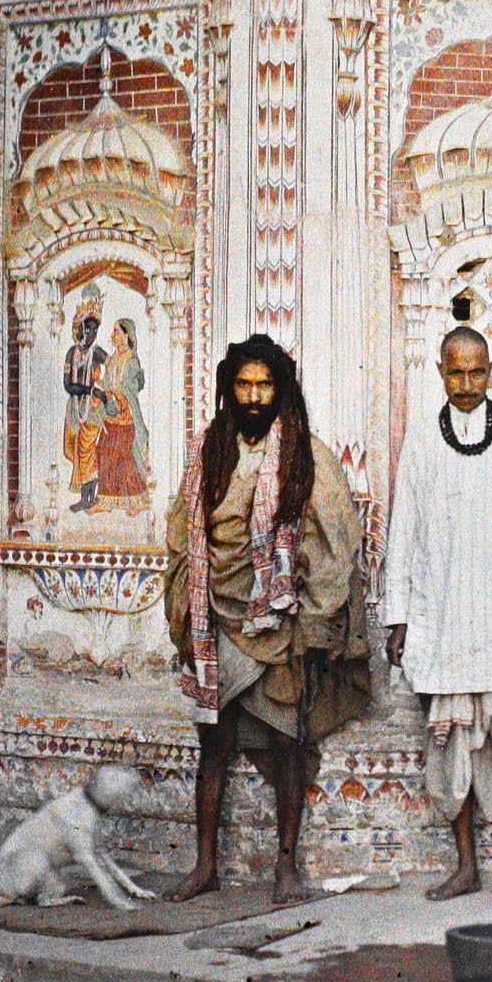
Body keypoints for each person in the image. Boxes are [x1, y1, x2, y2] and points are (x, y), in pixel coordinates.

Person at [164, 335, 370, 903]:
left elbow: (336, 537)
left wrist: (313, 614)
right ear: (230, 389)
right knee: (214, 747)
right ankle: (204, 866)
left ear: (280, 390)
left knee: (287, 744)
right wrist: (186, 610)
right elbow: (184, 532)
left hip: (276, 621)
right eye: (244, 384)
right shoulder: (210, 449)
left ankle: (285, 868)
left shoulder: (304, 453)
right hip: (217, 621)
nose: (254, 396)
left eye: (265, 385)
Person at [384, 325, 492, 904]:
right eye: (455, 372)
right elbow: (402, 530)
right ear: (439, 371)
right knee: (449, 745)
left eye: (476, 372)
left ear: (491, 373)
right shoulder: (421, 440)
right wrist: (399, 617)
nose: (466, 384)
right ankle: (464, 867)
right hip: (441, 615)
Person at [96, 318, 151, 513]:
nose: (114, 336)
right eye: (114, 332)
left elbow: (133, 386)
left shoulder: (131, 360)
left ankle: (138, 501)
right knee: (102, 449)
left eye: (117, 332)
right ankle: (105, 501)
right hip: (111, 413)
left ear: (127, 335)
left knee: (125, 456)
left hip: (126, 415)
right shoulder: (113, 359)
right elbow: (108, 384)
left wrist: (120, 393)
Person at [63, 305, 106, 513]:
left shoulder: (97, 353)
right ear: (79, 329)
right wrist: (89, 389)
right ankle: (86, 497)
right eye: (87, 329)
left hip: (92, 410)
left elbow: (113, 367)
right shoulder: (72, 353)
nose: (90, 334)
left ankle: (89, 498)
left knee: (88, 451)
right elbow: (67, 385)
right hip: (75, 409)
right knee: (74, 451)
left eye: (94, 331)